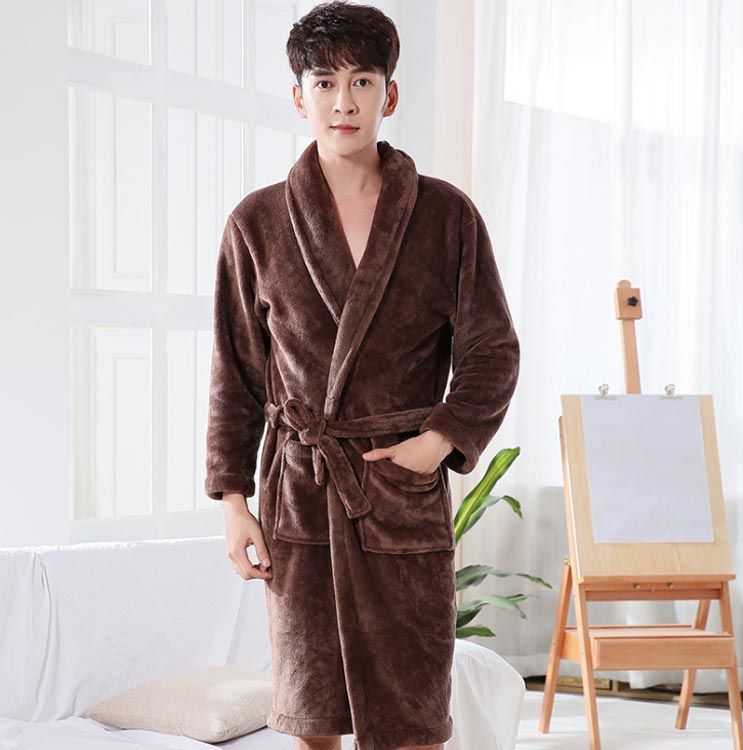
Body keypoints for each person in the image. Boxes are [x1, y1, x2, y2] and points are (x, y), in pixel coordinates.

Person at [204, 2, 520, 749]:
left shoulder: (445, 216)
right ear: (298, 97)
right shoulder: (257, 222)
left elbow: (493, 349)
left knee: (413, 721)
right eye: (324, 82)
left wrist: (437, 442)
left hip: (397, 492)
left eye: (361, 81)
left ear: (390, 93)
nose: (342, 101)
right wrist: (233, 502)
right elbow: (235, 371)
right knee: (312, 720)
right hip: (303, 493)